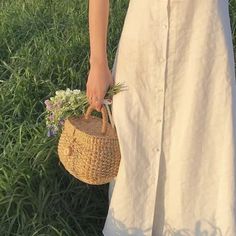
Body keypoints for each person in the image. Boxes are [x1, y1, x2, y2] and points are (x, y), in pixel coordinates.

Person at [87, 0, 236, 235]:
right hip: (143, 43)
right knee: (136, 147)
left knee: (201, 148)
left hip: (204, 48)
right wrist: (98, 63)